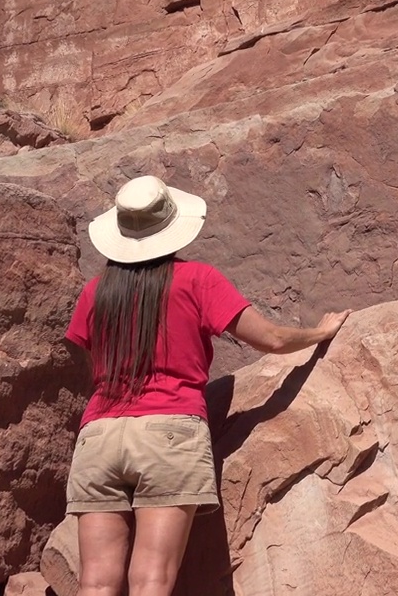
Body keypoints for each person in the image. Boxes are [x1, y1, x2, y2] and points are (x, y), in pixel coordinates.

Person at [63, 175, 350, 596]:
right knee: (152, 581)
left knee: (96, 583)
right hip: (168, 432)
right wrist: (318, 334)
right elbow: (269, 339)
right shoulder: (196, 279)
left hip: (99, 436)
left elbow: (88, 360)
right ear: (172, 224)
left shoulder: (95, 291)